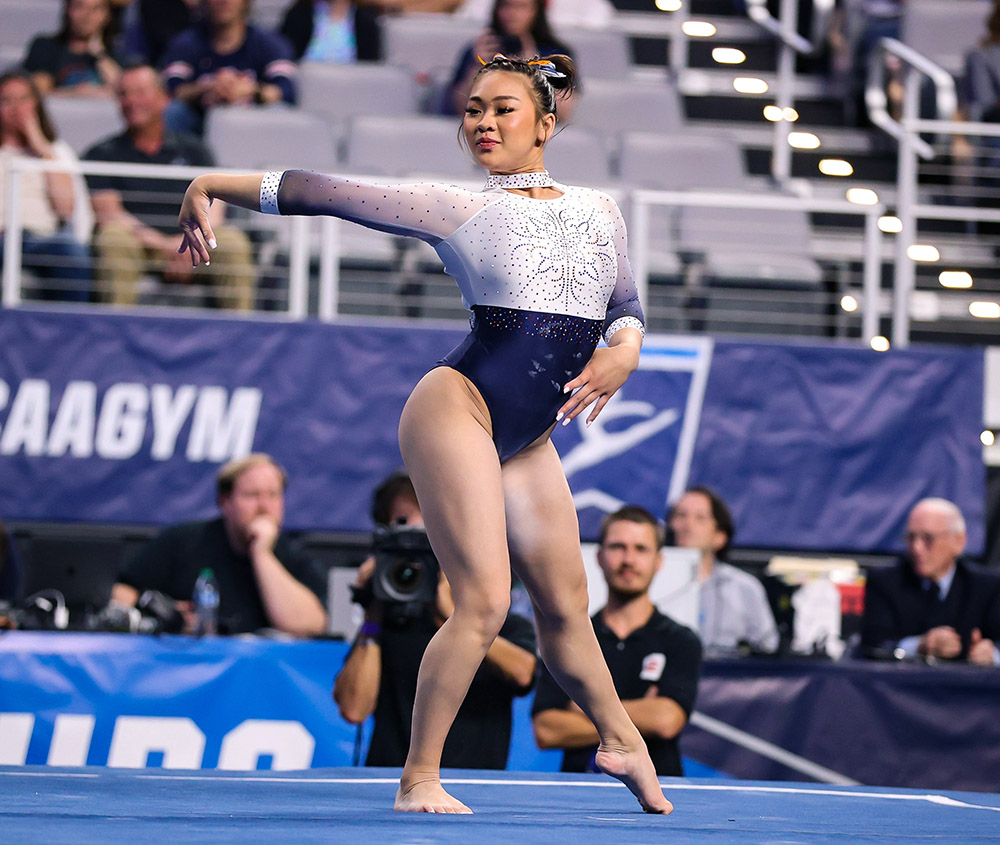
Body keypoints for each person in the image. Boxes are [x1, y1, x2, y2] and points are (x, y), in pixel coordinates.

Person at [177, 53, 670, 815]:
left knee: (568, 606)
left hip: (527, 437)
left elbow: (626, 304)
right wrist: (210, 184)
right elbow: (323, 193)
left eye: (502, 108)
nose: (482, 121)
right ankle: (418, 777)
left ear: (545, 122)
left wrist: (626, 353)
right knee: (481, 600)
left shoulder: (602, 209)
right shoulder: (457, 208)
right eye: (472, 109)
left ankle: (621, 740)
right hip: (458, 407)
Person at [333, 473, 537, 768]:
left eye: (431, 520)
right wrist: (373, 615)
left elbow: (523, 674)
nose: (420, 540)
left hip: (476, 791)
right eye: (404, 525)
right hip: (388, 789)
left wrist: (455, 618)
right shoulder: (387, 622)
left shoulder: (497, 617)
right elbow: (353, 709)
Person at [532, 506, 702, 777]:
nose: (628, 559)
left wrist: (584, 710)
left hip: (660, 793)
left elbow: (666, 720)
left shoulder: (680, 640)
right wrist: (641, 713)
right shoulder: (568, 635)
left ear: (659, 561)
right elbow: (547, 730)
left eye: (641, 549)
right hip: (577, 795)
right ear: (599, 557)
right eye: (618, 547)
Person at [83, 63, 255, 308]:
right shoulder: (101, 153)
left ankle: (241, 338)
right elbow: (109, 214)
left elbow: (214, 211)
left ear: (163, 99)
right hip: (140, 245)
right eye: (124, 94)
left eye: (140, 92)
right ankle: (113, 340)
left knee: (233, 242)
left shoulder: (196, 150)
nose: (131, 101)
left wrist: (185, 244)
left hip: (193, 245)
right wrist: (166, 246)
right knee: (112, 238)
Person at [112, 453, 328, 637]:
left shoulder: (293, 556)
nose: (264, 506)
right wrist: (158, 618)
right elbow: (123, 591)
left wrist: (262, 554)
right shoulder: (183, 540)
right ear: (225, 501)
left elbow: (310, 626)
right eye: (252, 495)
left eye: (273, 495)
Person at [860, 498, 1000, 666]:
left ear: (959, 541)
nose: (917, 548)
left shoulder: (988, 586)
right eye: (911, 538)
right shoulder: (884, 582)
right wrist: (919, 646)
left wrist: (992, 654)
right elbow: (873, 644)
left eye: (928, 538)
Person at [0, 71, 93, 303]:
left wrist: (40, 147)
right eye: (6, 101)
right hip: (1, 235)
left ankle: (71, 332)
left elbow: (66, 209)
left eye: (23, 100)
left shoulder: (57, 151)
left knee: (70, 252)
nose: (16, 108)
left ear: (36, 104)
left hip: (42, 238)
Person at [667, 486, 778, 656]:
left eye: (700, 518)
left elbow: (768, 647)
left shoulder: (745, 588)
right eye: (681, 515)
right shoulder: (649, 584)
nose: (687, 525)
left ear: (720, 536)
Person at [160, 0, 298, 137]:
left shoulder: (270, 44)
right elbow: (172, 89)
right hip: (198, 125)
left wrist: (251, 90)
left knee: (281, 112)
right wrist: (209, 87)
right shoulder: (186, 43)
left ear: (245, 2)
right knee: (172, 112)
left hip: (255, 122)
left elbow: (285, 90)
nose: (224, 2)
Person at [445, 0, 575, 118]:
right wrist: (477, 66)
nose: (513, 14)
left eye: (522, 7)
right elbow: (460, 108)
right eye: (506, 5)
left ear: (537, 11)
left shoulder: (556, 54)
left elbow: (562, 112)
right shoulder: (480, 49)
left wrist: (534, 69)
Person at [23, 0, 124, 99]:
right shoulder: (45, 46)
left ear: (108, 15)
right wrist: (80, 94)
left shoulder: (118, 51)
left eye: (96, 8)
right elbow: (41, 94)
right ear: (68, 10)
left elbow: (125, 90)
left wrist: (99, 54)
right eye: (80, 7)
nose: (87, 15)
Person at [279, 0, 382, 63]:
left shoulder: (366, 20)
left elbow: (370, 66)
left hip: (352, 87)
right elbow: (283, 57)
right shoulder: (299, 14)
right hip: (307, 87)